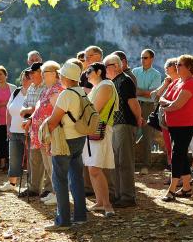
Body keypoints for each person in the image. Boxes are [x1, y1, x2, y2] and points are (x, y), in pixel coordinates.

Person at [45, 60, 88, 230]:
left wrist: (47, 138)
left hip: (65, 140)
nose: (59, 77)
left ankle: (63, 220)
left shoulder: (66, 94)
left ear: (65, 77)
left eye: (61, 75)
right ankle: (80, 216)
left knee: (60, 179)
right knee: (76, 178)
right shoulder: (81, 92)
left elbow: (53, 121)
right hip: (79, 138)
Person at [159, 54, 193, 201]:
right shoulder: (176, 82)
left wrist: (165, 107)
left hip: (185, 125)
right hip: (174, 125)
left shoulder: (191, 83)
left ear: (189, 67)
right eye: (177, 64)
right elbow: (162, 98)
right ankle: (187, 188)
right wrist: (167, 104)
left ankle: (172, 189)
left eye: (180, 64)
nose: (177, 66)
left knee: (177, 155)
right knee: (180, 155)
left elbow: (177, 104)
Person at [105, 53, 143, 208]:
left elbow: (133, 103)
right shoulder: (113, 82)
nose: (104, 69)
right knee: (116, 162)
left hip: (124, 124)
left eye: (106, 66)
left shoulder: (125, 81)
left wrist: (138, 118)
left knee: (124, 161)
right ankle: (118, 194)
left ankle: (127, 196)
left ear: (115, 66)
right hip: (115, 125)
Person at [25, 60, 63, 205]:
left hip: (50, 134)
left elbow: (57, 112)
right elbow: (38, 110)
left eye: (44, 73)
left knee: (53, 165)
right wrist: (30, 119)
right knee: (48, 166)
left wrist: (49, 129)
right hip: (42, 135)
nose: (42, 76)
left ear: (54, 74)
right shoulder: (48, 89)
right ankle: (54, 192)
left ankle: (58, 194)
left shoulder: (56, 89)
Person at [83, 62, 118, 216]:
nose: (86, 73)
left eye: (89, 71)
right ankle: (100, 202)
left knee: (95, 168)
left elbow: (94, 110)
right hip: (94, 130)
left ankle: (107, 204)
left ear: (98, 71)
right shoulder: (98, 87)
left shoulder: (105, 86)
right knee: (92, 168)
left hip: (100, 129)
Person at [19, 62, 52, 198]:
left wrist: (29, 111)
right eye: (30, 73)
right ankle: (34, 188)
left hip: (44, 128)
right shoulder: (31, 87)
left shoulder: (47, 88)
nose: (30, 75)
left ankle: (49, 189)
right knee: (34, 159)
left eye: (33, 72)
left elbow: (40, 109)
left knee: (48, 159)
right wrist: (28, 111)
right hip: (32, 128)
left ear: (41, 72)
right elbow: (24, 107)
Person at [0, 69, 31, 192]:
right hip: (14, 131)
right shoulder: (16, 91)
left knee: (31, 160)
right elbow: (8, 110)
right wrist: (8, 127)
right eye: (22, 77)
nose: (23, 80)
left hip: (28, 132)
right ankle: (12, 184)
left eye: (27, 78)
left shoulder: (34, 92)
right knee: (14, 158)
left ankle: (31, 185)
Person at [132, 48, 163, 175]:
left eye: (145, 58)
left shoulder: (156, 74)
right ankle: (130, 164)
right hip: (135, 104)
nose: (142, 60)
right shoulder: (135, 71)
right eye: (141, 57)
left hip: (148, 106)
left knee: (147, 136)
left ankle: (145, 165)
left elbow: (152, 95)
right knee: (131, 134)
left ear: (151, 59)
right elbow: (135, 91)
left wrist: (140, 91)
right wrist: (144, 92)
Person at [151, 57, 179, 169]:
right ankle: (170, 164)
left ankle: (176, 167)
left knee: (176, 145)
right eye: (166, 66)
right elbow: (154, 96)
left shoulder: (181, 82)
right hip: (164, 118)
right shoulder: (167, 82)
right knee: (168, 144)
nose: (165, 68)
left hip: (177, 118)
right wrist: (165, 84)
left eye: (168, 65)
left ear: (175, 67)